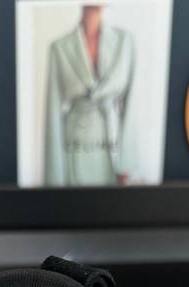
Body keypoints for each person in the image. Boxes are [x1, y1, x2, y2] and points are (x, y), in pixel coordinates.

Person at [44, 3, 134, 186]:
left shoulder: (124, 42)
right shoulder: (59, 47)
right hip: (75, 146)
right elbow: (52, 112)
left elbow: (133, 105)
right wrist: (54, 178)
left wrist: (129, 162)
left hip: (113, 142)